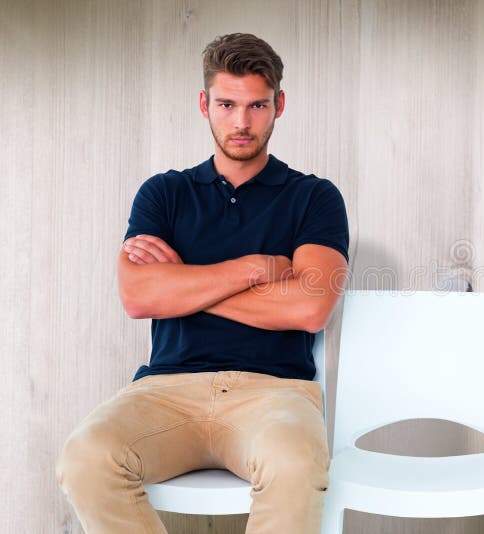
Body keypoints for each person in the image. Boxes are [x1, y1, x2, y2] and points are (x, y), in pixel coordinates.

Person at [56, 33, 349, 534]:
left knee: (295, 463)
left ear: (279, 104)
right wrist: (255, 268)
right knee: (85, 457)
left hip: (274, 394)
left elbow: (310, 308)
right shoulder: (164, 194)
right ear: (204, 104)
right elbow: (138, 297)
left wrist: (183, 284)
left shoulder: (315, 197)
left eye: (257, 105)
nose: (241, 122)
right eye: (227, 104)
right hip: (165, 392)